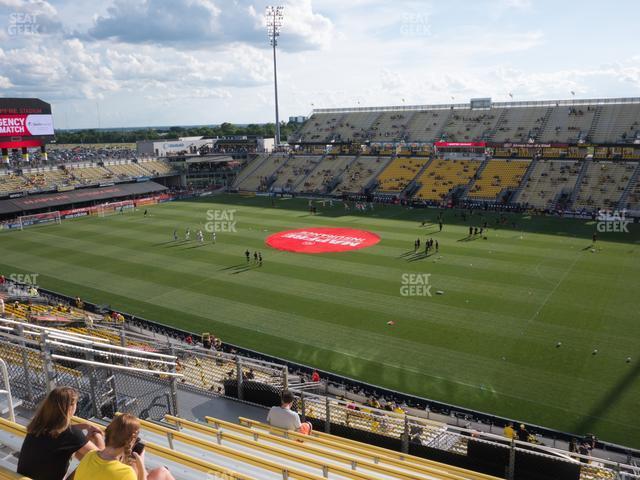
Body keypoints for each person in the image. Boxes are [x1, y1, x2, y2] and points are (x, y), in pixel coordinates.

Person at [17, 387, 105, 480]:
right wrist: (98, 435)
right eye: (76, 404)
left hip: (19, 478)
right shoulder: (72, 435)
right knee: (89, 465)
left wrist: (84, 426)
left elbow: (60, 435)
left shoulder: (38, 425)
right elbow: (102, 459)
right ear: (70, 407)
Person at [75, 414, 174, 480]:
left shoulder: (89, 456)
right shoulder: (125, 473)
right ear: (132, 440)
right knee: (162, 471)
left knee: (161, 471)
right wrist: (140, 467)